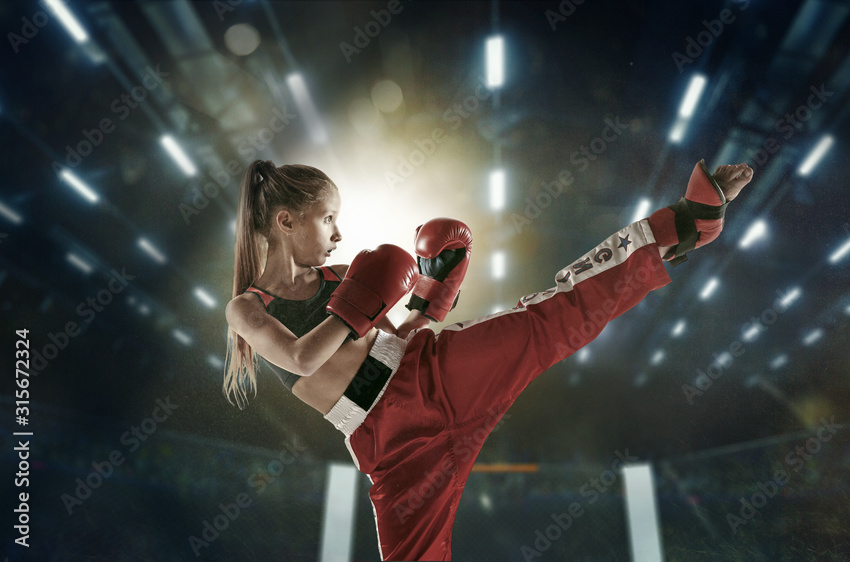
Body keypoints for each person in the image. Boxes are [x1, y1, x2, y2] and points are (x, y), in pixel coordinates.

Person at [224, 158, 753, 561]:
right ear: (287, 220)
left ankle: (682, 224)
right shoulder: (248, 308)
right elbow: (300, 358)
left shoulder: (344, 278)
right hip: (392, 446)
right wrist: (360, 303)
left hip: (432, 372)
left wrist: (432, 297)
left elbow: (392, 339)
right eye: (328, 218)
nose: (338, 233)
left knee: (552, 318)